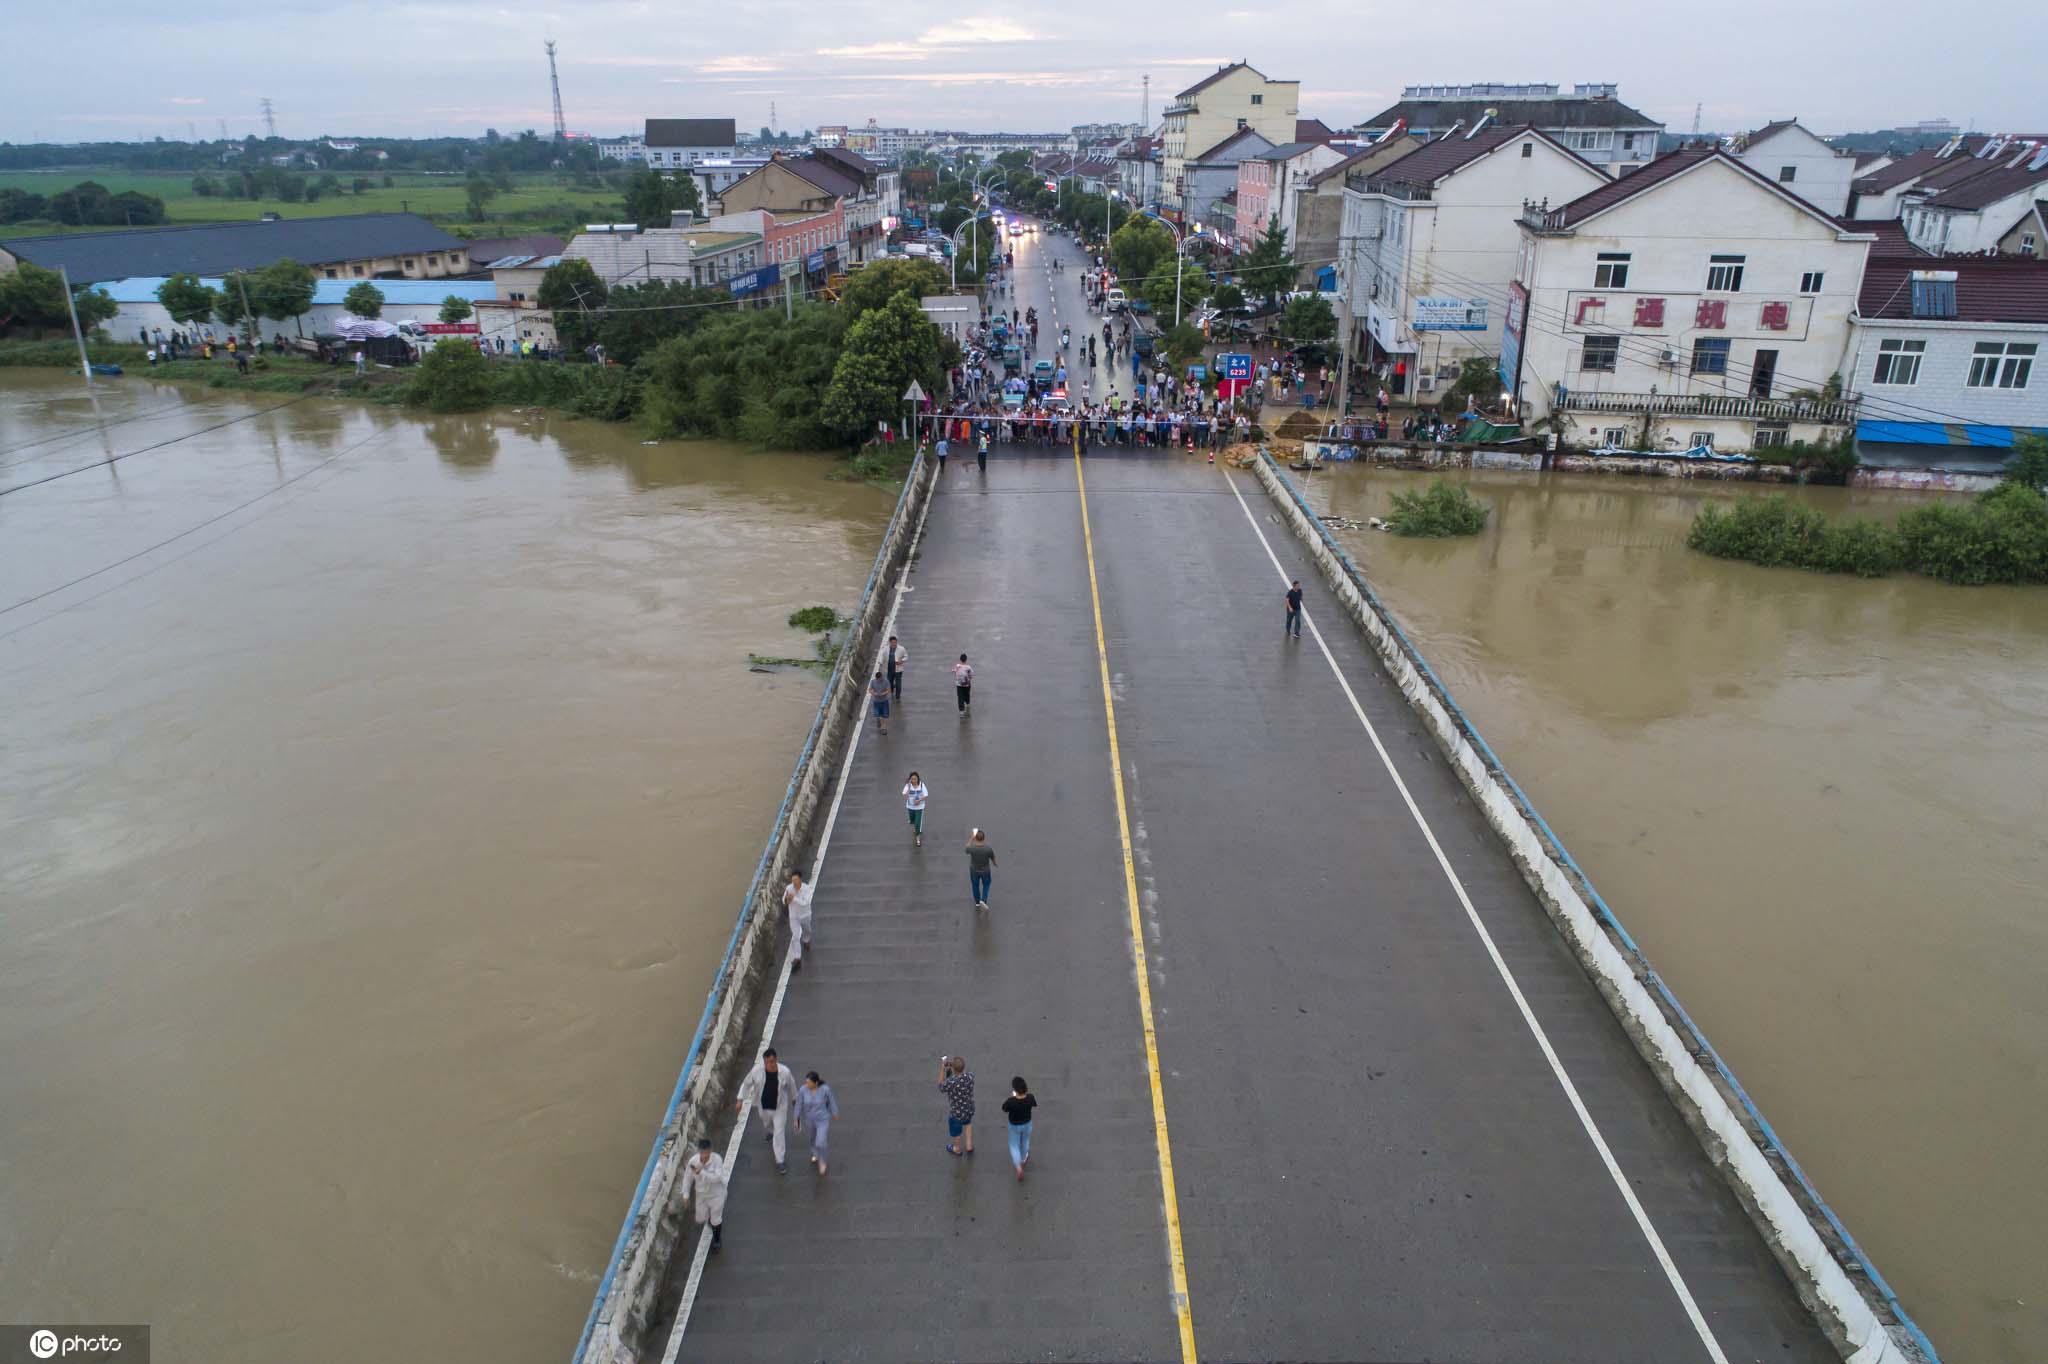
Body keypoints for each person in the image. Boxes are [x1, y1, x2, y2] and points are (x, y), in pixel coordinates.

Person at [737, 1047, 794, 1173]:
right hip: (763, 1106)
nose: (770, 1064)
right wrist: (740, 1099)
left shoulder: (785, 1072)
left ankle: (780, 1160)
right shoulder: (756, 1071)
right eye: (767, 1062)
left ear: (776, 1060)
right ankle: (769, 1131)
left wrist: (795, 1099)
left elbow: (792, 1085)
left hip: (780, 1108)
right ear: (764, 1062)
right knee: (767, 1124)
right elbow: (746, 1084)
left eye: (772, 1061)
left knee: (779, 1132)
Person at [680, 1138, 727, 1253]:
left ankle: (717, 1240)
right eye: (702, 1152)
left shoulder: (717, 1160)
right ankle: (712, 1223)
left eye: (706, 1152)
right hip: (701, 1195)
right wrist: (685, 1195)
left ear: (711, 1150)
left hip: (717, 1194)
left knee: (716, 1218)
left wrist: (701, 1172)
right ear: (699, 1151)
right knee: (700, 1218)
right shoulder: (693, 1162)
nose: (704, 1155)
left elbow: (716, 1178)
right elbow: (687, 1179)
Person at [795, 1071, 839, 1176]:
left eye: (809, 1082)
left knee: (821, 1141)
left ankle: (822, 1161)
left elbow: (831, 1101)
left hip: (822, 1120)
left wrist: (834, 1112)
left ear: (816, 1082)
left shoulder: (825, 1090)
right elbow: (798, 1104)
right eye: (806, 1082)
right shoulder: (803, 1090)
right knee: (812, 1138)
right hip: (809, 1120)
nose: (807, 1084)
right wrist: (795, 1118)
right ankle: (815, 1152)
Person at [938, 1055, 976, 1157]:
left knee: (956, 1132)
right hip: (969, 1108)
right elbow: (963, 1073)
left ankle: (957, 1149)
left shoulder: (951, 1082)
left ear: (953, 1069)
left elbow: (941, 1086)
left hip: (956, 1113)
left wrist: (942, 1069)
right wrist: (953, 1065)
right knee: (968, 1124)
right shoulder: (970, 1077)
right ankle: (969, 1145)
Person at [1002, 1077, 1037, 1180]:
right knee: (1025, 1140)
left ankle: (1018, 1167)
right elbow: (1034, 1103)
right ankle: (1023, 1158)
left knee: (1014, 1145)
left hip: (1014, 1125)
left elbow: (1004, 1108)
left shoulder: (1011, 1101)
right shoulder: (1030, 1098)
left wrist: (1013, 1097)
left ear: (1015, 1090)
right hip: (1027, 1123)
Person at [783, 871, 814, 971]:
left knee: (807, 931)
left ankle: (806, 940)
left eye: (796, 880)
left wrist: (794, 899)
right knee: (795, 936)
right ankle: (797, 958)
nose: (794, 882)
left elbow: (805, 903)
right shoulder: (789, 888)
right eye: (792, 880)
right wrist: (786, 900)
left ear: (800, 879)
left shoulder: (807, 889)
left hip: (805, 915)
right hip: (794, 917)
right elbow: (784, 899)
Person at [965, 829, 996, 909]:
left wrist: (971, 838)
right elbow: (992, 857)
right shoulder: (988, 849)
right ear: (984, 838)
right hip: (985, 871)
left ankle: (977, 902)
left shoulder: (972, 848)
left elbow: (966, 848)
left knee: (975, 885)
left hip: (974, 870)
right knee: (986, 884)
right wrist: (995, 863)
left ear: (976, 838)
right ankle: (983, 899)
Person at [903, 771, 929, 848]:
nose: (914, 780)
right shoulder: (908, 785)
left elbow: (926, 795)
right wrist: (908, 788)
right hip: (910, 807)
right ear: (910, 779)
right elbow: (905, 795)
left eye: (915, 779)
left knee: (918, 823)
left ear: (918, 778)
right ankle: (913, 823)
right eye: (912, 779)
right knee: (912, 820)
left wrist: (919, 800)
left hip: (919, 807)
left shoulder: (921, 785)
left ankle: (918, 839)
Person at [868, 668, 891, 735]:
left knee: (885, 715)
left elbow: (889, 690)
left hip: (884, 701)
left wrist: (883, 694)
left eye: (881, 678)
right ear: (876, 678)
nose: (880, 680)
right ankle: (880, 722)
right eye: (879, 679)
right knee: (879, 715)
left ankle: (884, 728)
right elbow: (870, 690)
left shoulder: (886, 681)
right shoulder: (873, 682)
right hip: (876, 701)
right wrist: (874, 693)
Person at [885, 635, 907, 704]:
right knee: (889, 682)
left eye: (895, 642)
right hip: (889, 670)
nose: (894, 644)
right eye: (893, 642)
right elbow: (882, 658)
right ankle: (891, 689)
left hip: (898, 670)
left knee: (898, 684)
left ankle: (898, 696)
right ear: (890, 643)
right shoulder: (886, 649)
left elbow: (906, 656)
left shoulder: (901, 649)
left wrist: (902, 661)